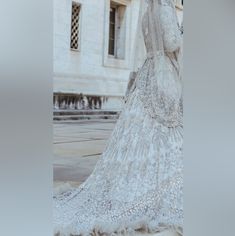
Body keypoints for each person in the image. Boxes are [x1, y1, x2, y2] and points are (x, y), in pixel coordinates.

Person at [54, 0, 183, 235]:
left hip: (149, 73)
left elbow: (149, 45)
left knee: (140, 135)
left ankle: (126, 188)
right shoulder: (165, 8)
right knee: (168, 131)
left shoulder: (147, 13)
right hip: (165, 77)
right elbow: (171, 42)